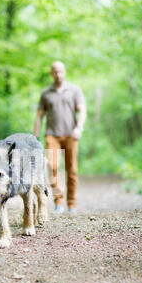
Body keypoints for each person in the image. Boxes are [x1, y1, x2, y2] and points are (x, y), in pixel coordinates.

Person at [34, 61, 87, 213]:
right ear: (52, 73)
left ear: (65, 72)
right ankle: (58, 202)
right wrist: (36, 136)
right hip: (52, 136)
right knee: (53, 168)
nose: (58, 74)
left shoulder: (74, 90)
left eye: (61, 71)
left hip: (71, 135)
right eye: (55, 72)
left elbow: (82, 110)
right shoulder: (46, 93)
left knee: (72, 170)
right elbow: (39, 116)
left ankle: (72, 204)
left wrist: (79, 128)